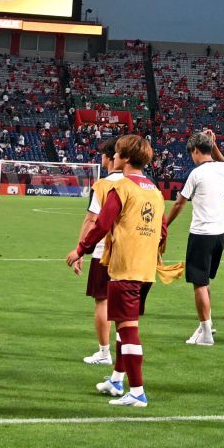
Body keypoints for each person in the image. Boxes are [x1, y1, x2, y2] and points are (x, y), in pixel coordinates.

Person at [65, 133, 164, 408]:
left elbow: (101, 224)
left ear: (126, 158)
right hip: (145, 270)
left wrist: (80, 250)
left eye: (118, 153)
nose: (114, 157)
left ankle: (137, 391)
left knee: (128, 328)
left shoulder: (121, 187)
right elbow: (163, 231)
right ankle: (117, 380)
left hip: (125, 268)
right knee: (124, 325)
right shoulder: (154, 191)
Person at [166, 129, 224, 346]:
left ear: (195, 150)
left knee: (199, 284)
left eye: (191, 153)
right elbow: (222, 160)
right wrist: (213, 143)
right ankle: (207, 324)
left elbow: (179, 203)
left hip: (201, 235)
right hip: (220, 234)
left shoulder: (196, 174)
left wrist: (164, 225)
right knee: (205, 281)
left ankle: (206, 335)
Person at [79, 138, 122, 367]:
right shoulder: (137, 183)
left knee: (102, 301)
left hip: (103, 251)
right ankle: (125, 355)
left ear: (108, 157)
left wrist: (79, 250)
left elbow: (92, 219)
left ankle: (105, 353)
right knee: (125, 305)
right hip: (129, 253)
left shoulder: (103, 185)